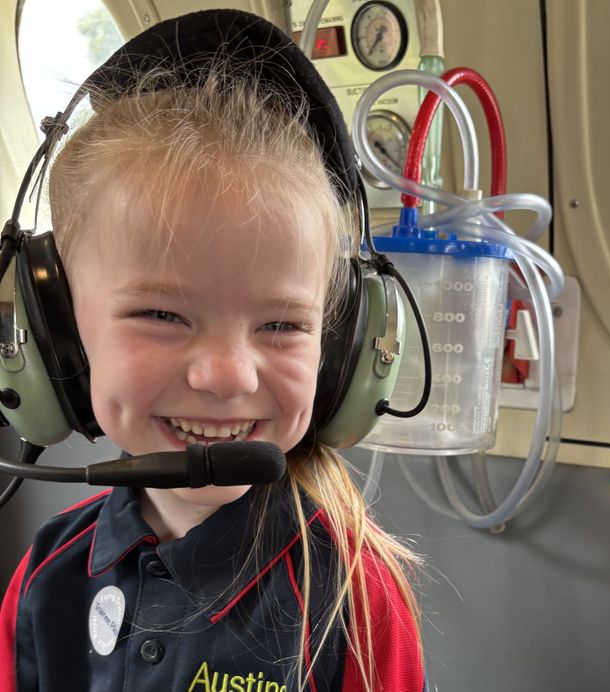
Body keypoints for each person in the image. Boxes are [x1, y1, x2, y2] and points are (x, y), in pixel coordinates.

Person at [0, 9, 425, 691]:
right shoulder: (46, 575)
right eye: (161, 314)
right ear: (58, 331)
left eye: (281, 325)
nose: (228, 376)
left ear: (339, 349)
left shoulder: (352, 597)